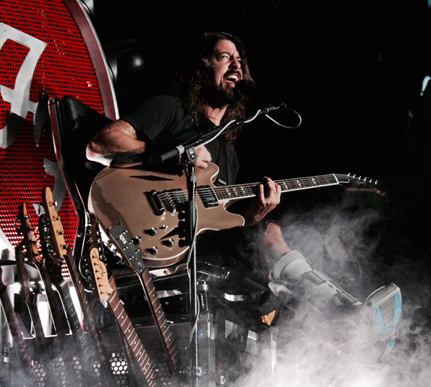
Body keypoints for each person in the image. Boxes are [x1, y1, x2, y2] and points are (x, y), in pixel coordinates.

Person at [87, 31, 360, 310]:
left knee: (293, 240)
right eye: (224, 57)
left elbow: (215, 223)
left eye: (240, 61)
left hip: (194, 250)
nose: (236, 65)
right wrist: (177, 155)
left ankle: (314, 310)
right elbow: (99, 145)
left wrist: (252, 216)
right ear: (201, 69)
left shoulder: (229, 154)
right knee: (270, 233)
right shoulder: (170, 108)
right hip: (146, 228)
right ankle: (334, 304)